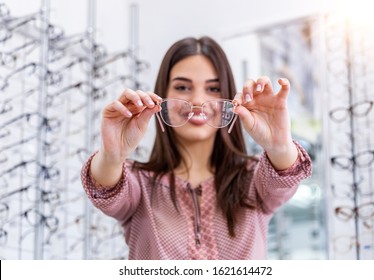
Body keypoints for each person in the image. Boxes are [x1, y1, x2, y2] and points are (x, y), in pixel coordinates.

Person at [81, 36, 312, 260]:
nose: (198, 100)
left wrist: (279, 145)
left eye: (213, 89)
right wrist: (112, 155)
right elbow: (106, 189)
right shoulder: (138, 184)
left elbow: (284, 176)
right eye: (182, 87)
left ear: (230, 99)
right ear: (162, 96)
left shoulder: (254, 180)